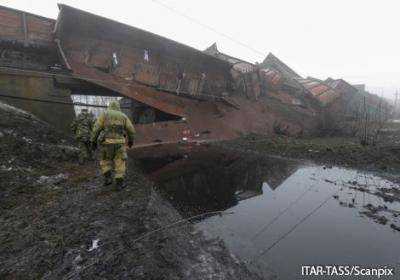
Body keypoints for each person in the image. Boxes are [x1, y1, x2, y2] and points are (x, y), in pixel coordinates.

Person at [91, 101, 135, 189]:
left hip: (106, 143)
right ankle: (119, 184)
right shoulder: (123, 116)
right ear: (118, 106)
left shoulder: (104, 114)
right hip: (119, 143)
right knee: (120, 161)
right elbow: (131, 130)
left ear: (109, 106)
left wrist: (93, 141)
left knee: (105, 160)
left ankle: (108, 179)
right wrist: (131, 141)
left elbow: (96, 128)